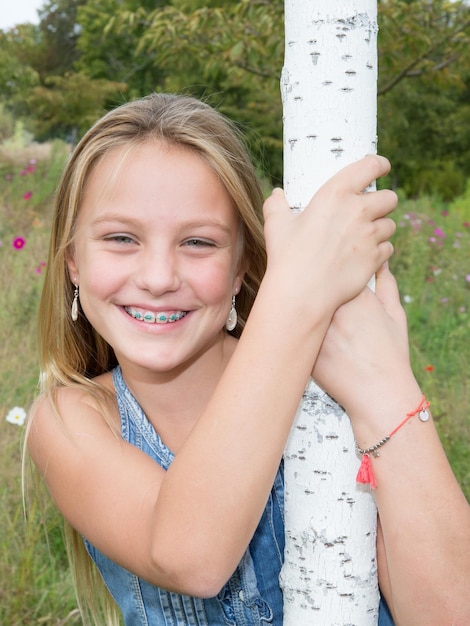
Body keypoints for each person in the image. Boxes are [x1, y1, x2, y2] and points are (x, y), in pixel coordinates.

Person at [26, 93, 470, 626]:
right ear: (73, 261)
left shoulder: (327, 389)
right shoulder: (72, 421)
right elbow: (191, 557)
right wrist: (297, 296)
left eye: (198, 242)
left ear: (241, 268)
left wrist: (384, 385)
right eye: (122, 238)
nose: (160, 277)